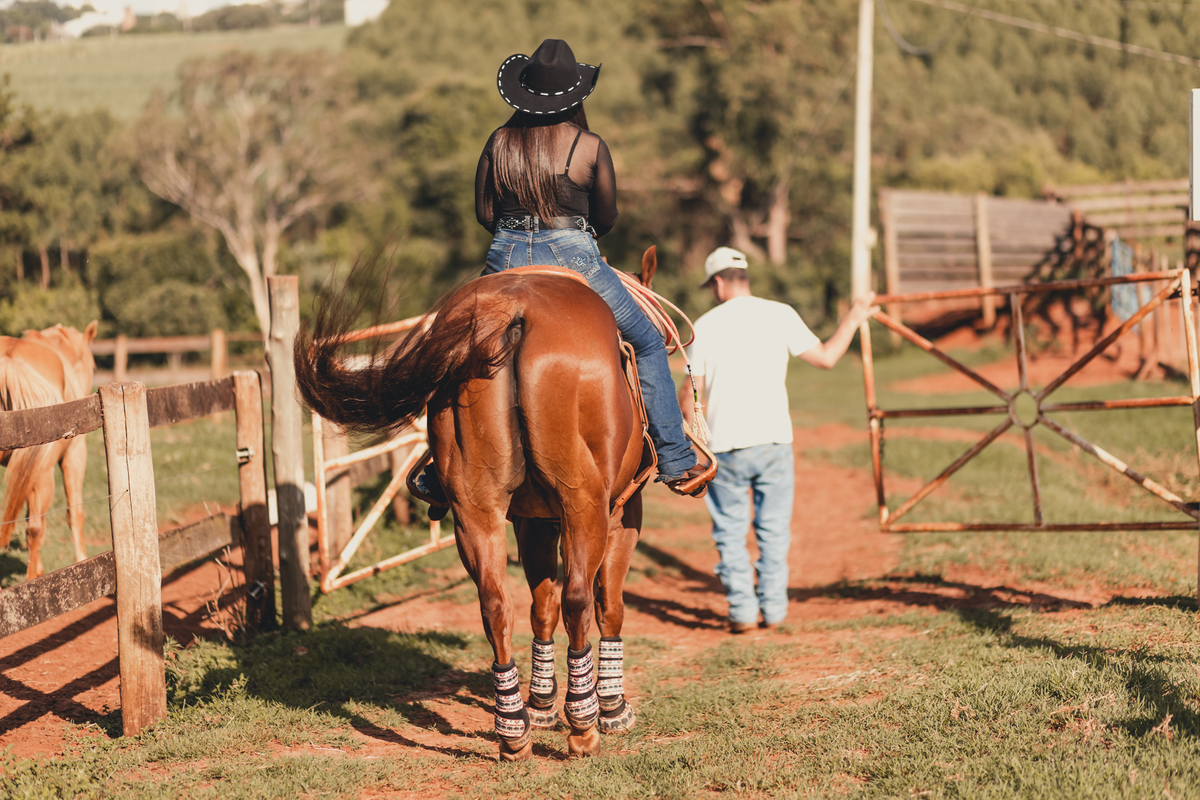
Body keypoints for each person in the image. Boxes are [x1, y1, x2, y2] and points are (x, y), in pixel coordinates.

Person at [472, 38, 707, 494]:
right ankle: (676, 459)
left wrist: (517, 239)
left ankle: (437, 468)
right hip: (574, 255)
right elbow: (606, 218)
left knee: (451, 348)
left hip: (504, 258)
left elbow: (484, 214)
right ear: (573, 96)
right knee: (646, 344)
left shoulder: (498, 141)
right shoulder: (588, 145)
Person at [682, 247, 876, 633]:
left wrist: (692, 443)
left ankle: (741, 611)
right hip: (773, 441)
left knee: (730, 532)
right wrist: (853, 318)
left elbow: (690, 397)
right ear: (744, 277)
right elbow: (826, 358)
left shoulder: (701, 326)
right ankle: (774, 609)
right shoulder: (780, 313)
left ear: (718, 283)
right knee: (773, 531)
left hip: (725, 448)